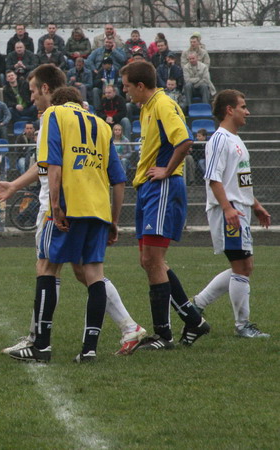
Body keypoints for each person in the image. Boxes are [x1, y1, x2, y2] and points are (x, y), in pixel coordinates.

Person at [0, 65, 146, 359]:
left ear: (47, 90)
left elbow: (52, 164)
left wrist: (56, 205)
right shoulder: (98, 122)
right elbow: (114, 175)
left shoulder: (53, 117)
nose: (32, 96)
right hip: (96, 206)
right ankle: (116, 333)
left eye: (34, 90)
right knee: (86, 271)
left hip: (61, 203)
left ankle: (39, 341)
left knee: (48, 267)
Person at [120, 60, 210, 351]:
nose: (126, 92)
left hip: (162, 187)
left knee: (153, 261)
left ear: (141, 86)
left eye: (127, 87)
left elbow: (183, 141)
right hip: (148, 188)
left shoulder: (162, 104)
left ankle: (164, 335)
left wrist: (167, 170)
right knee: (148, 261)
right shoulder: (148, 107)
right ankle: (193, 320)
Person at [191, 90, 271, 338]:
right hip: (230, 212)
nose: (247, 112)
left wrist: (255, 205)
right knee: (241, 265)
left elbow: (238, 181)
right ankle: (242, 325)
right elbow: (213, 177)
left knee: (244, 266)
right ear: (229, 110)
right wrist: (227, 208)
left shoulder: (235, 139)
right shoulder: (219, 139)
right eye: (243, 107)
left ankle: (195, 306)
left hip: (240, 209)